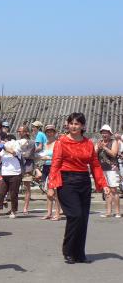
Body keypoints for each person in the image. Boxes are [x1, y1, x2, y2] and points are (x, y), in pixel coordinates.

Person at [48, 112, 109, 264]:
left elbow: (95, 165)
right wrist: (51, 186)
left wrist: (103, 184)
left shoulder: (88, 143)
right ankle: (68, 251)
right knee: (74, 215)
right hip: (67, 181)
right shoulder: (61, 142)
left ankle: (79, 253)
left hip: (83, 181)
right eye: (71, 123)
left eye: (77, 124)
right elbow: (55, 164)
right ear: (67, 125)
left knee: (83, 218)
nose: (74, 126)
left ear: (82, 126)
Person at [0, 134, 21, 219]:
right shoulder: (4, 149)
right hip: (5, 173)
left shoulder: (16, 144)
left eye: (6, 140)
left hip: (15, 173)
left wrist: (3, 146)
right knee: (0, 193)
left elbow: (14, 152)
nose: (4, 142)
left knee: (13, 194)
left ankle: (13, 211)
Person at [95, 124, 120, 218]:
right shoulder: (99, 142)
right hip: (102, 168)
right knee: (107, 190)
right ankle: (108, 212)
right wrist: (97, 148)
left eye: (106, 132)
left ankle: (117, 212)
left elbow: (114, 154)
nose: (104, 134)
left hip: (112, 169)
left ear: (110, 133)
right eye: (103, 133)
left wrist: (104, 147)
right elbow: (94, 154)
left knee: (114, 190)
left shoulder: (114, 142)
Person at [40, 125, 62, 220]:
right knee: (48, 192)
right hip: (46, 167)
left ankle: (57, 213)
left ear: (54, 132)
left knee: (56, 192)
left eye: (51, 131)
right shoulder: (45, 143)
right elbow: (41, 155)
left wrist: (50, 158)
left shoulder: (58, 143)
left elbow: (60, 157)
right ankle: (49, 213)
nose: (49, 133)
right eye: (47, 132)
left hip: (55, 168)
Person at [17, 126, 36, 214]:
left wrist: (18, 153)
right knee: (14, 188)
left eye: (21, 131)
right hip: (17, 167)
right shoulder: (17, 142)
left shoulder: (31, 142)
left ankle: (25, 208)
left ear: (26, 132)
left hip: (27, 167)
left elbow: (28, 155)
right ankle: (14, 207)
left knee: (27, 188)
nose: (19, 133)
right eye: (18, 131)